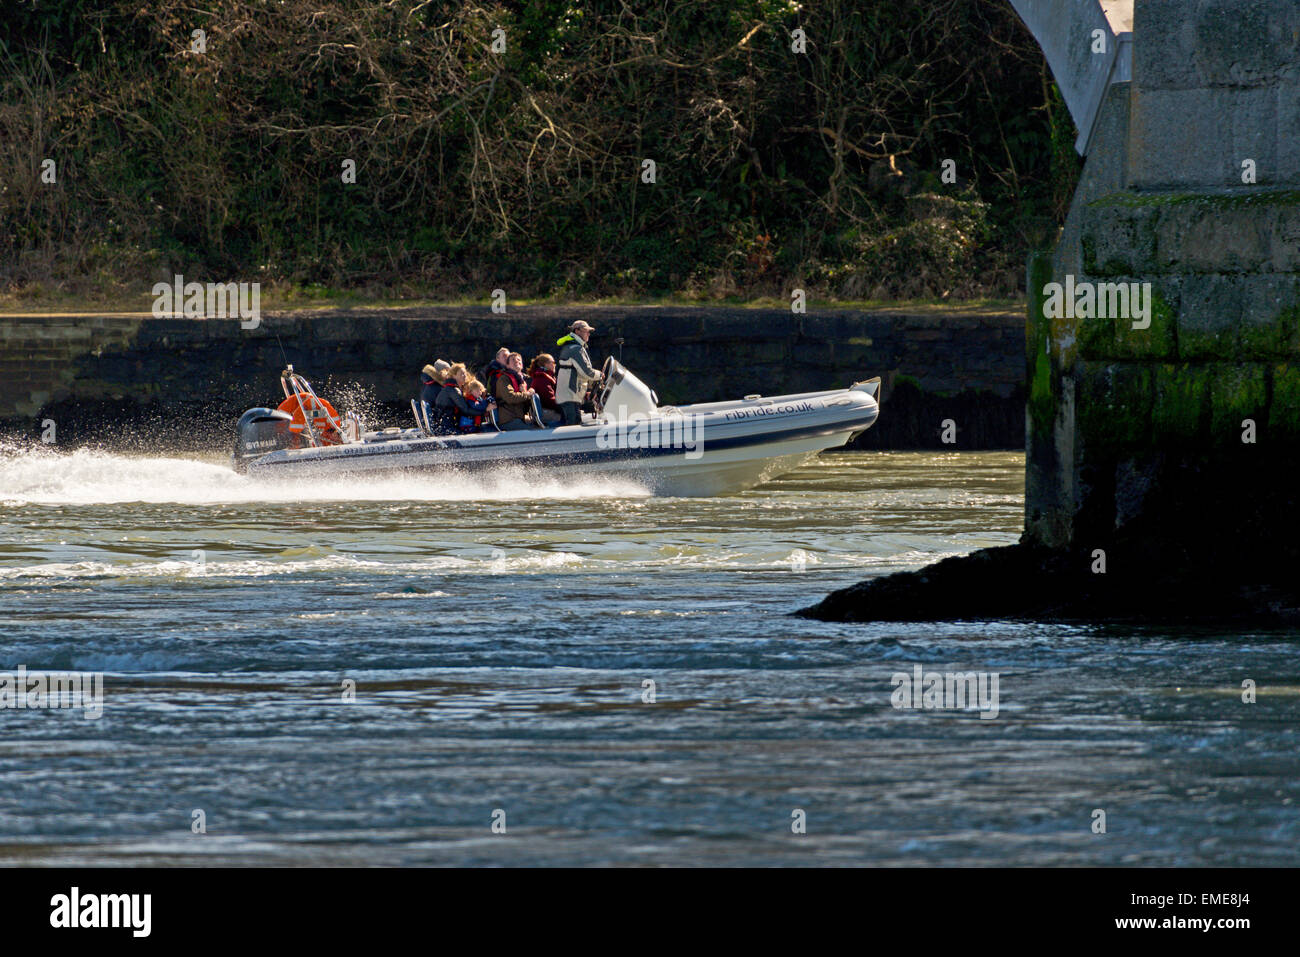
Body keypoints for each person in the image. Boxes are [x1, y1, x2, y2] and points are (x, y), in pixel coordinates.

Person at [555, 320, 601, 425]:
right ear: (577, 331)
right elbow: (587, 372)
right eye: (586, 331)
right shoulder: (575, 349)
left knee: (574, 423)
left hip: (568, 395)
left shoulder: (572, 346)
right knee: (573, 425)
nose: (589, 334)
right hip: (569, 396)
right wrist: (601, 375)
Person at [435, 363, 496, 434]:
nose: (465, 376)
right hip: (446, 427)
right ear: (454, 376)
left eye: (465, 374)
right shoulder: (453, 390)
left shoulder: (453, 388)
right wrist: (485, 410)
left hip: (448, 425)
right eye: (462, 374)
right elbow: (465, 409)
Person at [494, 352, 537, 430]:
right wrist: (528, 393)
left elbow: (528, 403)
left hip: (521, 418)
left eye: (519, 359)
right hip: (509, 420)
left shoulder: (524, 380)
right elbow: (510, 397)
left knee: (541, 425)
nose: (517, 361)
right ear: (507, 365)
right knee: (535, 431)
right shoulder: (504, 379)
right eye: (513, 360)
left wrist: (527, 393)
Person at [527, 353, 563, 425]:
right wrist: (565, 407)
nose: (555, 364)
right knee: (571, 417)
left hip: (550, 410)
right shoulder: (542, 378)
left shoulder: (548, 377)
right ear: (545, 364)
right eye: (553, 362)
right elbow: (549, 400)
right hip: (547, 412)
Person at [420, 359, 451, 426]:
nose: (449, 374)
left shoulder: (428, 385)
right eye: (447, 371)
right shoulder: (437, 388)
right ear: (442, 371)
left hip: (431, 421)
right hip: (438, 423)